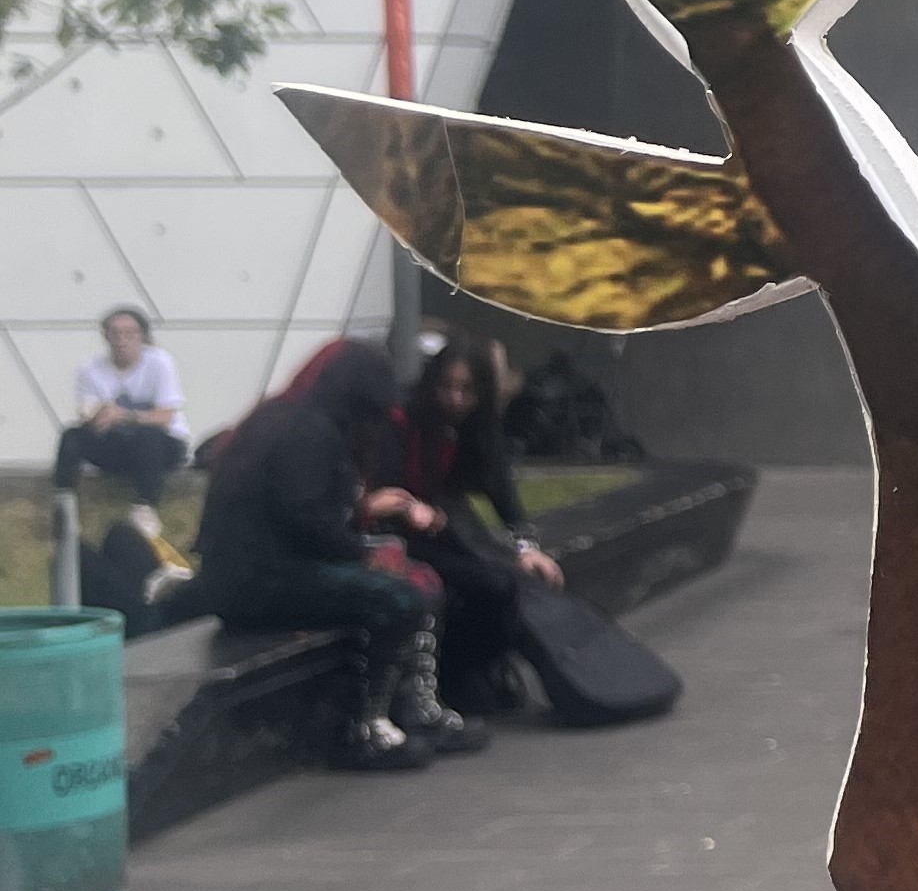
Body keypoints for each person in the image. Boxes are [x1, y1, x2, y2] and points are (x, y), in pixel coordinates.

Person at [191, 342, 467, 771]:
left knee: (416, 581)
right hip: (260, 579)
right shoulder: (306, 431)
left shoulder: (294, 421)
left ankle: (410, 708)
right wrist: (362, 553)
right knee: (397, 598)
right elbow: (306, 520)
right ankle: (364, 725)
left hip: (257, 572)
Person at [399, 337, 568, 717]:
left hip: (445, 530)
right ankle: (460, 676)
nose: (456, 400)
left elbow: (499, 486)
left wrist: (526, 547)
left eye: (467, 391)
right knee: (493, 585)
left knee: (515, 581)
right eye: (447, 388)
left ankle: (477, 671)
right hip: (409, 533)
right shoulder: (410, 418)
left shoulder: (478, 425)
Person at [54, 305, 192, 617]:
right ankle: (63, 501)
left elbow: (165, 415)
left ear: (142, 337)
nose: (122, 341)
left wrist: (124, 415)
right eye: (115, 334)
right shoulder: (91, 369)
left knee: (148, 439)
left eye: (129, 334)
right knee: (71, 437)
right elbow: (88, 412)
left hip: (159, 443)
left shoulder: (159, 363)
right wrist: (98, 419)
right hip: (118, 442)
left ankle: (146, 507)